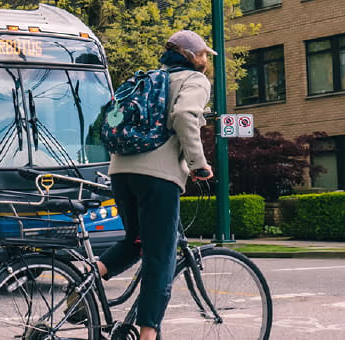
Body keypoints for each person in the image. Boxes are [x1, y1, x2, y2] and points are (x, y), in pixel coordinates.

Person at [96, 30, 216, 339]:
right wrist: (198, 165)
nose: (206, 60)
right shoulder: (195, 81)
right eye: (203, 54)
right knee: (161, 257)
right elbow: (185, 115)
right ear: (193, 57)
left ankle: (84, 278)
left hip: (120, 171)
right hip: (156, 177)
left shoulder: (149, 78)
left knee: (136, 242)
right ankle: (148, 334)